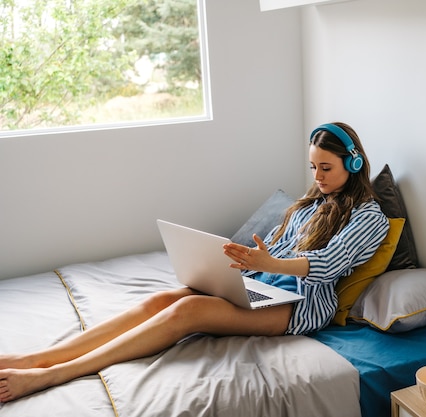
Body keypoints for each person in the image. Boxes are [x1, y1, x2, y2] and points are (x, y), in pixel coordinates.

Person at [0, 122, 389, 403]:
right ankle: (36, 358)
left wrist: (268, 264)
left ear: (352, 166)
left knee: (188, 311)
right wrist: (240, 261)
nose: (317, 177)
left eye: (326, 168)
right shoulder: (313, 204)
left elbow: (325, 265)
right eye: (313, 168)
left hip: (296, 306)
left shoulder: (369, 218)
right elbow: (274, 246)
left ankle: (51, 375)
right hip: (260, 285)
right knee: (161, 301)